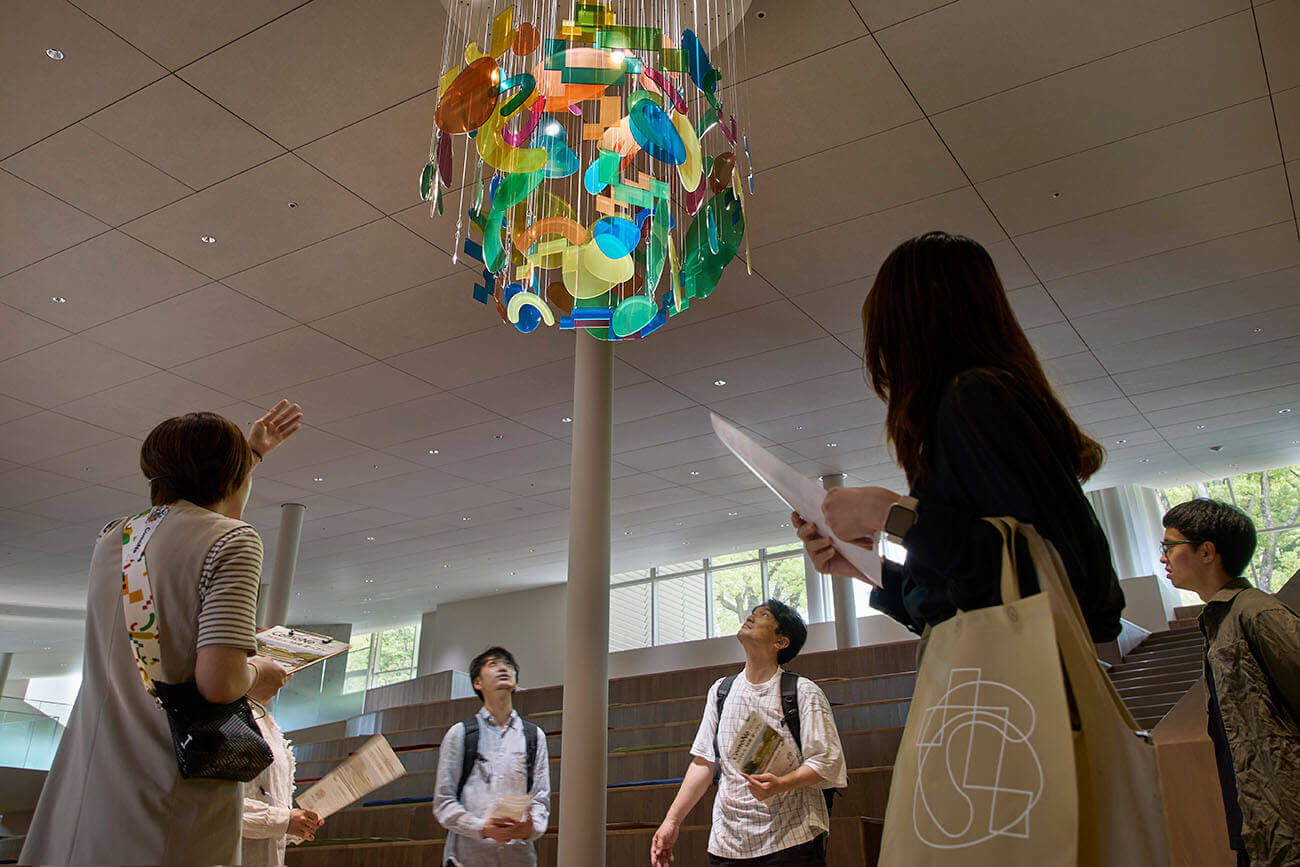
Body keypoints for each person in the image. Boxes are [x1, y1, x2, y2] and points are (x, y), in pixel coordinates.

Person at [794, 231, 1125, 646]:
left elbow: (1058, 577)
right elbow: (971, 592)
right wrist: (865, 568)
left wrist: (889, 511)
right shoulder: (980, 398)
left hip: (1019, 697)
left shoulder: (974, 397)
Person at [20, 400, 303, 866]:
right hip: (172, 784)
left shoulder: (115, 537)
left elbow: (193, 519)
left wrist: (249, 453)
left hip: (94, 779)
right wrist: (259, 672)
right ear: (229, 475)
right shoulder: (235, 540)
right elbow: (218, 683)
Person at [651, 600, 846, 866]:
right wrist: (671, 821)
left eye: (763, 615)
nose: (751, 617)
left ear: (781, 642)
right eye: (752, 613)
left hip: (790, 840)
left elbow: (826, 762)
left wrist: (782, 784)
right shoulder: (721, 690)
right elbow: (704, 762)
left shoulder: (803, 691)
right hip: (727, 845)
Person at [1160, 498, 1300, 866]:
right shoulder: (1220, 619)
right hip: (1256, 814)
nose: (1163, 558)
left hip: (1286, 812)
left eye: (1169, 547)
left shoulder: (1256, 611)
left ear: (1206, 551)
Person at [433, 646, 550, 866]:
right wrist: (482, 828)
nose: (503, 668)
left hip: (518, 858)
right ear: (477, 683)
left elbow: (540, 798)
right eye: (493, 664)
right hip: (467, 860)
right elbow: (443, 802)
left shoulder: (534, 736)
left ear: (515, 682)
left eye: (508, 665)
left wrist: (530, 828)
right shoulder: (460, 733)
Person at [241, 671, 324, 866]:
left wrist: (299, 824)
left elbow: (269, 802)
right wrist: (284, 820)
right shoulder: (228, 717)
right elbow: (219, 808)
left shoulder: (268, 721)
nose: (289, 673)